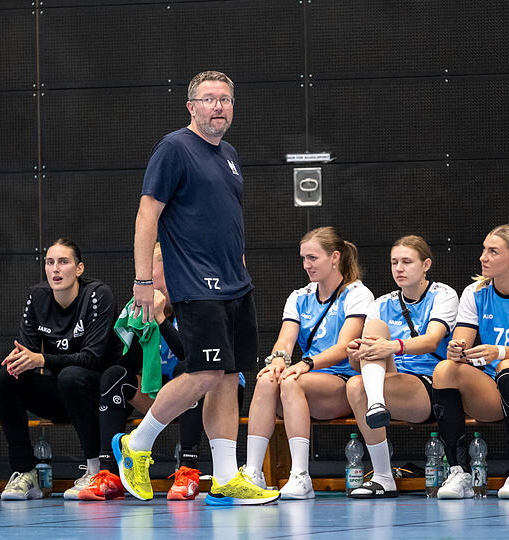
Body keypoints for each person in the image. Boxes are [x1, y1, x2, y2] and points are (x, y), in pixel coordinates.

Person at [114, 70, 279, 505]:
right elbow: (146, 215)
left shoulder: (229, 154)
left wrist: (240, 266)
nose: (218, 106)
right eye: (208, 99)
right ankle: (138, 443)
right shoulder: (173, 149)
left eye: (225, 99)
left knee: (228, 376)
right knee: (204, 372)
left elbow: (225, 220)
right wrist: (143, 281)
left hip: (235, 286)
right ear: (191, 107)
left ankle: (225, 476)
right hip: (197, 285)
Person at [83, 243, 243, 501]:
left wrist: (160, 319)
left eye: (159, 285)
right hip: (164, 398)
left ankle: (187, 469)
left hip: (214, 394)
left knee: (188, 371)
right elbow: (127, 364)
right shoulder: (147, 303)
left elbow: (193, 359)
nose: (154, 291)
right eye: (151, 285)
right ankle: (109, 474)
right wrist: (140, 324)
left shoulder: (196, 303)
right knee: (114, 376)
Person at [244, 227, 372, 500]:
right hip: (303, 384)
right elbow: (285, 340)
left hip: (342, 384)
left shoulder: (357, 294)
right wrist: (278, 359)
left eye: (313, 258)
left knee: (292, 380)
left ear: (335, 257)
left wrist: (307, 363)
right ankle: (253, 473)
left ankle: (300, 475)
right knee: (267, 378)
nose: (307, 265)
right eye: (304, 258)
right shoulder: (299, 296)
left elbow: (343, 347)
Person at [433, 224, 509, 499]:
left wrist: (499, 352)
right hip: (495, 391)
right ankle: (459, 473)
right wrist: (456, 350)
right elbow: (461, 342)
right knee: (444, 370)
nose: (483, 257)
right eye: (483, 250)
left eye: (492, 251)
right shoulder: (475, 292)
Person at [0, 239, 121, 501]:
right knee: (5, 378)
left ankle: (95, 471)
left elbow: (91, 358)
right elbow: (27, 352)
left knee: (71, 375)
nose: (55, 269)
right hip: (61, 392)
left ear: (79, 268)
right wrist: (19, 360)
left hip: (100, 396)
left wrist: (41, 360)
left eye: (63, 262)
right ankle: (25, 472)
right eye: (50, 262)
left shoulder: (97, 295)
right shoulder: (37, 297)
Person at [345, 235, 457, 498]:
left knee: (358, 383)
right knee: (356, 377)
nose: (399, 268)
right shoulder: (381, 303)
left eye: (407, 262)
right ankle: (383, 476)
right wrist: (356, 354)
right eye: (394, 262)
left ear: (426, 264)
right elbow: (357, 364)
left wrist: (392, 346)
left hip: (428, 382)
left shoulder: (443, 294)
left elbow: (431, 342)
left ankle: (375, 403)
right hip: (388, 379)